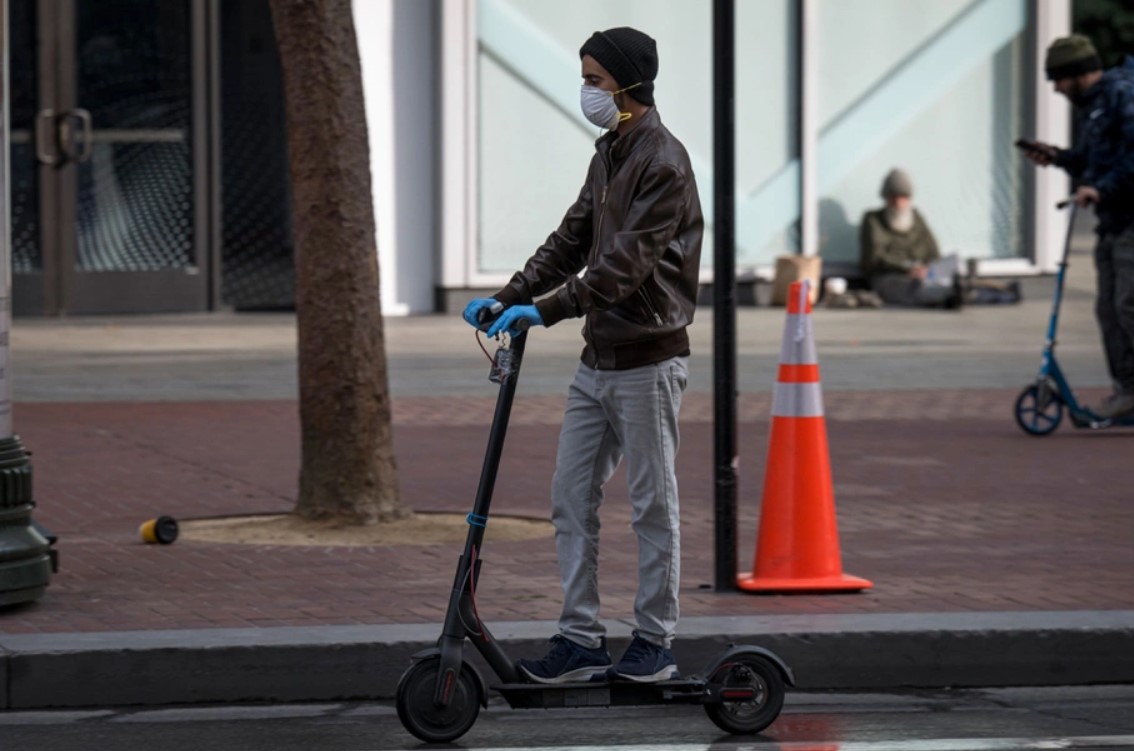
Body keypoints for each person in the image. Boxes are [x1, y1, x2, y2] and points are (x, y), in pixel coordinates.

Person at [462, 27, 702, 684]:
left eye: (595, 80)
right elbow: (572, 238)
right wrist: (508, 294)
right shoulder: (610, 153)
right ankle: (581, 635)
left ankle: (655, 640)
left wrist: (543, 310)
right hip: (598, 362)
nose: (587, 91)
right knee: (570, 496)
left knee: (653, 502)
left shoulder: (664, 163)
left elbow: (621, 269)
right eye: (586, 78)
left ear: (627, 86)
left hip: (649, 360)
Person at [1020, 35, 1134, 420]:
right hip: (1112, 221)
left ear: (1077, 73)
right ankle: (1127, 391)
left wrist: (1101, 188)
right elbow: (1092, 162)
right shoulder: (1093, 106)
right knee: (1108, 309)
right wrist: (1056, 157)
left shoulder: (1122, 94)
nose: (1055, 88)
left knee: (1127, 305)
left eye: (1058, 79)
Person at [859, 168, 964, 309]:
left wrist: (927, 269)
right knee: (910, 288)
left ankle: (960, 292)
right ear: (885, 197)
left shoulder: (917, 218)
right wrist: (909, 267)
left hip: (924, 275)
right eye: (893, 196)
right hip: (889, 277)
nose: (898, 202)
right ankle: (946, 296)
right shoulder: (873, 220)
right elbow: (875, 258)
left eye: (903, 196)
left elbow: (933, 252)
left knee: (950, 269)